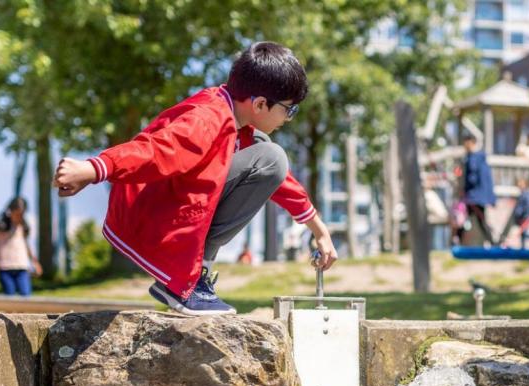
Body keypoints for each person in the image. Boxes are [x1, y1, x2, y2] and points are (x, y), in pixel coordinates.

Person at [53, 41, 338, 316]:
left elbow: (280, 181)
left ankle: (187, 278)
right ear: (261, 104)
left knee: (266, 153)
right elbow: (157, 150)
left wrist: (318, 229)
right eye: (289, 109)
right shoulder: (208, 119)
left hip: (159, 214)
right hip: (150, 221)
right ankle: (185, 285)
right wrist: (93, 169)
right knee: (272, 157)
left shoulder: (238, 121)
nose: (289, 118)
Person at [0, 196, 42, 296]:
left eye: (22, 215)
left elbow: (27, 245)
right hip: (5, 267)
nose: (19, 217)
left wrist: (35, 262)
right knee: (10, 296)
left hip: (22, 267)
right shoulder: (1, 226)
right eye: (17, 214)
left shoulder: (23, 226)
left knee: (26, 295)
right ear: (10, 211)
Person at [458, 132, 498, 246]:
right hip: (473, 196)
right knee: (468, 218)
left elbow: (475, 179)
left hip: (475, 196)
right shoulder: (471, 158)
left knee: (476, 219)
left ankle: (492, 242)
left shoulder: (476, 159)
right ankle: (459, 241)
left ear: (472, 143)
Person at [505, 177, 529, 249]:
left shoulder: (526, 195)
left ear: (525, 185)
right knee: (523, 234)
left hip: (525, 217)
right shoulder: (523, 194)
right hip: (522, 217)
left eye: (521, 184)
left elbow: (526, 206)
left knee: (525, 232)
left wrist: (522, 213)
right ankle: (523, 248)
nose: (519, 186)